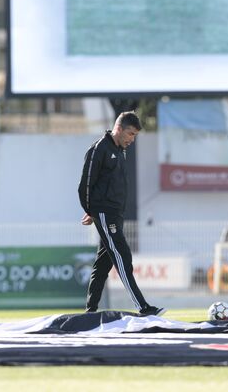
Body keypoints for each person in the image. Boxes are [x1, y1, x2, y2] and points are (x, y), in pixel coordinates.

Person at [79, 111, 165, 317]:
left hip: (115, 214)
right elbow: (85, 184)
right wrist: (90, 210)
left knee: (103, 264)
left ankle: (90, 311)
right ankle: (143, 307)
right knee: (123, 256)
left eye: (135, 135)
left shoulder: (119, 150)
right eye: (131, 134)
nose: (132, 139)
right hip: (105, 213)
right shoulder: (99, 149)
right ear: (118, 129)